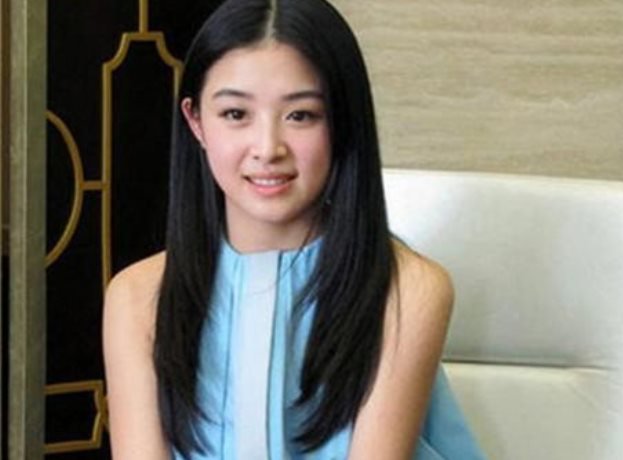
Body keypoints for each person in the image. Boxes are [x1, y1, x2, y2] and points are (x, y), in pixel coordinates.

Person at [103, 0, 485, 458]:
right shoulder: (137, 297)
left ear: (342, 122)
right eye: (235, 114)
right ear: (196, 122)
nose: (268, 148)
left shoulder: (409, 290)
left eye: (301, 115)